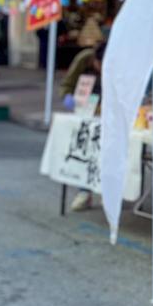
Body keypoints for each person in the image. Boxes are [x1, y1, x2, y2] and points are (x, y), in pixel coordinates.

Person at [59, 42, 107, 212]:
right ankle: (84, 192)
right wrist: (67, 96)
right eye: (100, 64)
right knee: (85, 151)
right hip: (85, 112)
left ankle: (105, 191)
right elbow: (68, 83)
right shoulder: (83, 59)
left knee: (105, 153)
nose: (102, 68)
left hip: (108, 113)